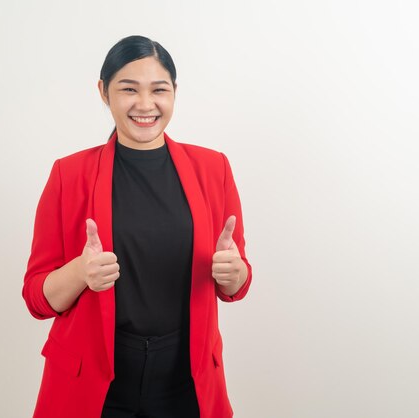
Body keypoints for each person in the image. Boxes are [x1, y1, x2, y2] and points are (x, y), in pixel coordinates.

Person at [22, 35, 253, 418]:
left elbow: (237, 282)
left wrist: (236, 273)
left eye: (158, 90)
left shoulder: (213, 168)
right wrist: (81, 271)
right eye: (128, 89)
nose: (145, 104)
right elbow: (36, 298)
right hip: (93, 381)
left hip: (186, 378)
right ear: (103, 92)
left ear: (174, 93)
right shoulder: (69, 174)